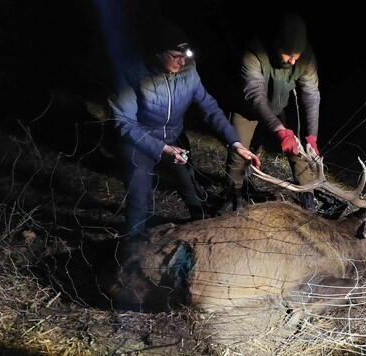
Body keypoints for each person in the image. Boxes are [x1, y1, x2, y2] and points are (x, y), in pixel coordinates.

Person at [109, 21, 261, 238]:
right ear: (158, 52)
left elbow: (209, 108)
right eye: (175, 55)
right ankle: (133, 244)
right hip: (140, 141)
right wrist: (163, 148)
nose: (182, 61)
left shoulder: (189, 71)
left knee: (190, 187)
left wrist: (236, 144)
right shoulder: (133, 72)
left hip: (174, 139)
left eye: (186, 54)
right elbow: (125, 122)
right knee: (139, 196)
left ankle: (203, 235)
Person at [221, 12, 321, 214]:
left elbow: (311, 96)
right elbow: (255, 94)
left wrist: (312, 136)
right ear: (276, 44)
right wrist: (279, 129)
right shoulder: (254, 51)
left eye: (297, 55)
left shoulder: (306, 57)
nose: (293, 61)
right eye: (288, 54)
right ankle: (234, 195)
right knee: (238, 152)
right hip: (247, 110)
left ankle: (308, 193)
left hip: (277, 108)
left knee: (297, 149)